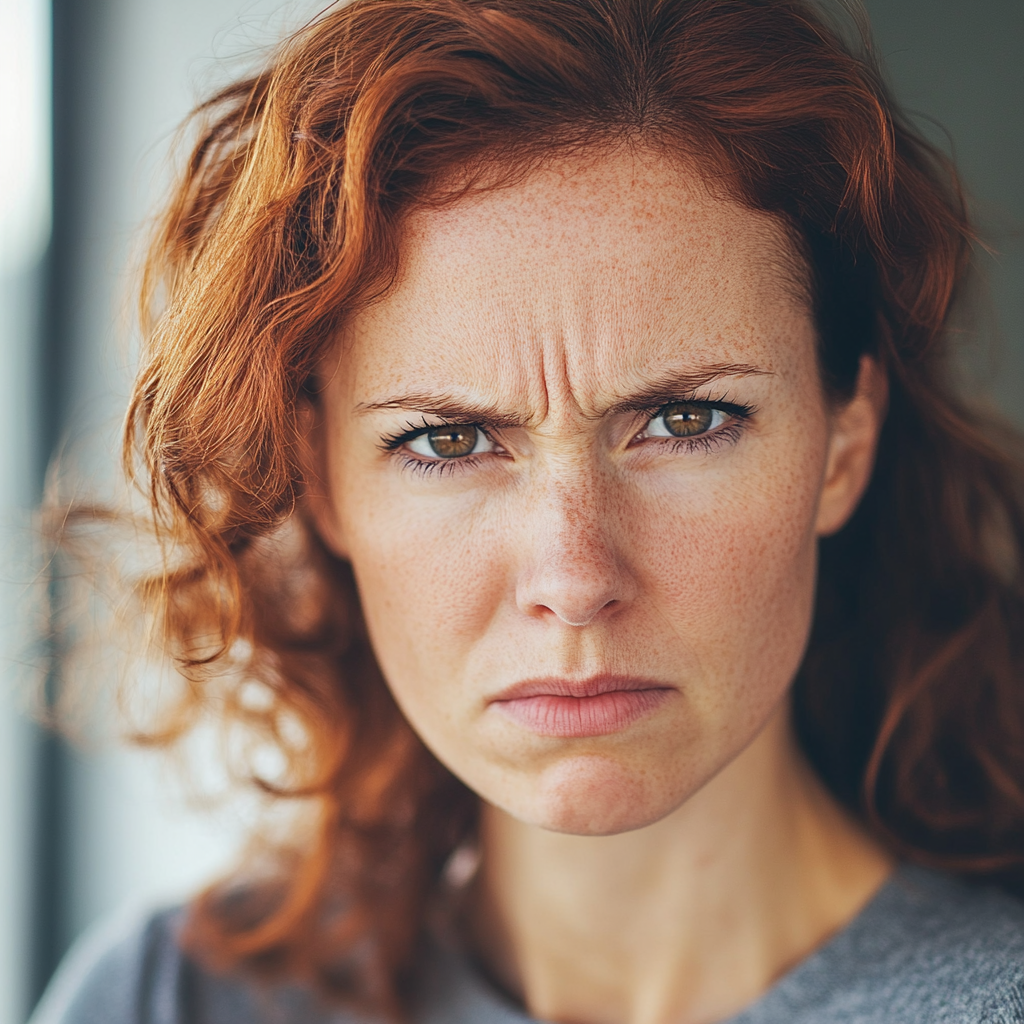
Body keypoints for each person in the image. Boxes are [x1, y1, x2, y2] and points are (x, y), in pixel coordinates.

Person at [31, 1, 1024, 1022]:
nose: (574, 577)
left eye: (687, 420)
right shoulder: (166, 996)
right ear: (319, 481)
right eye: (446, 440)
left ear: (842, 445)